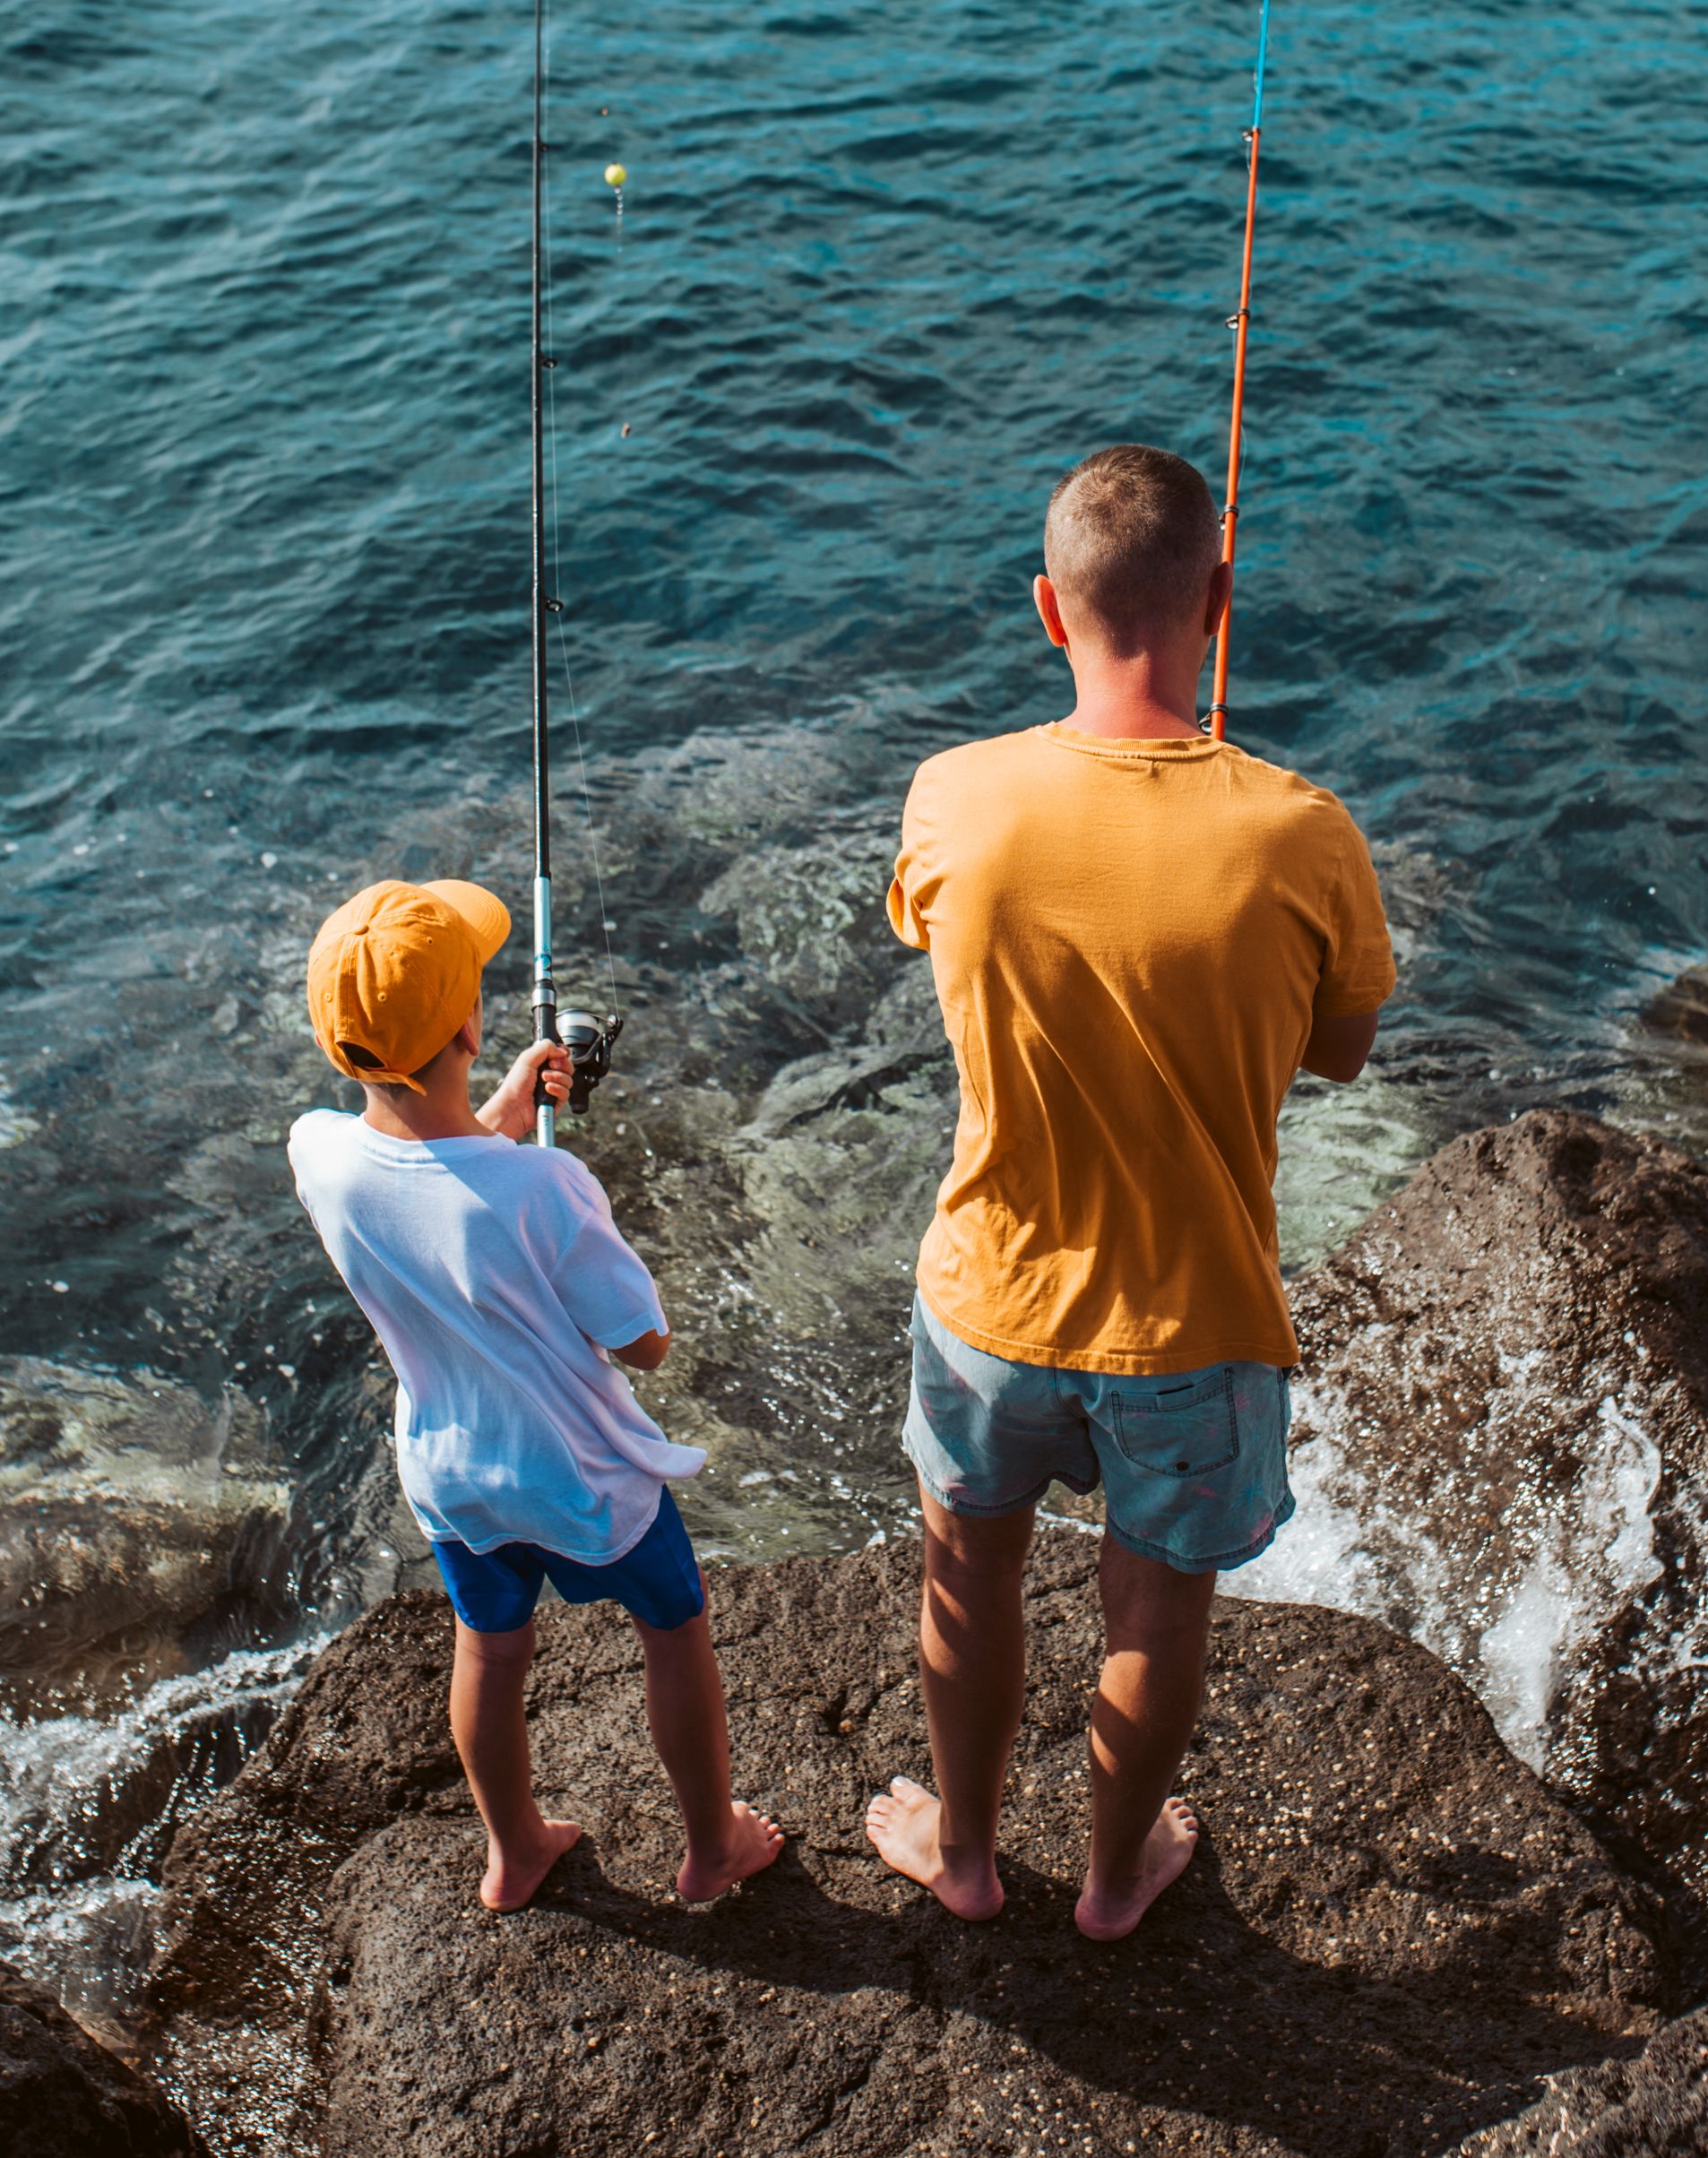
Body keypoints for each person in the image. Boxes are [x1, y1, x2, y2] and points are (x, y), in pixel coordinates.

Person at [863, 444, 1394, 1938]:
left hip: (989, 1298)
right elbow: (1342, 1050)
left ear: (1048, 608)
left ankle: (964, 1859)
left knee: (966, 1589)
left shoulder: (952, 796)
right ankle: (1110, 1881)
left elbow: (932, 924)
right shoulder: (1302, 831)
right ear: (1217, 600)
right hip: (1192, 1319)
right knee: (1152, 1621)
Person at [286, 876, 786, 1912]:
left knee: (492, 1651)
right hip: (584, 1478)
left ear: (338, 1044)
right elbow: (641, 1345)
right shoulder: (548, 1190)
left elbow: (432, 1191)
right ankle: (711, 1847)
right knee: (675, 1634)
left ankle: (511, 1849)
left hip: (451, 1474)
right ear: (472, 1021)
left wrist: (499, 1117)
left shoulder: (319, 1154)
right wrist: (531, 1162)